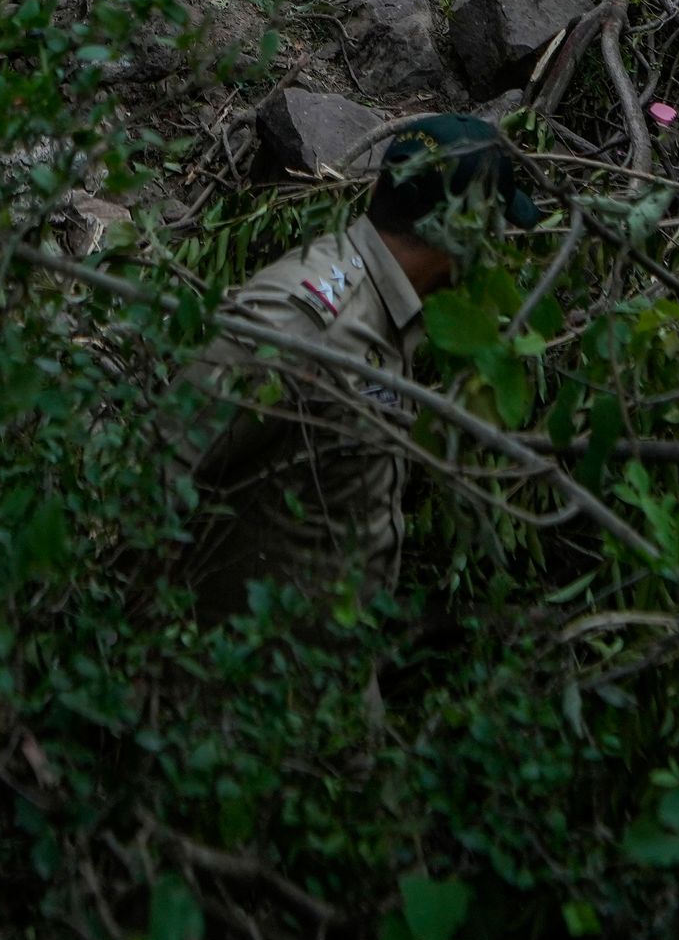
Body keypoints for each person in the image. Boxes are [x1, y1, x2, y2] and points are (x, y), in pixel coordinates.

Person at [183, 116, 543, 615]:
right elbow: (165, 465)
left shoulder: (383, 310)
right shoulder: (307, 326)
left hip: (320, 669)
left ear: (379, 188)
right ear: (467, 235)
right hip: (240, 671)